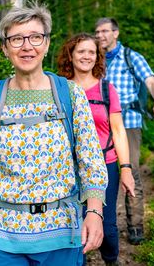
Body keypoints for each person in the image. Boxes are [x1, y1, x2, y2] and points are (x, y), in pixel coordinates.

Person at [0, 1, 108, 266]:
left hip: (60, 233)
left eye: (35, 37)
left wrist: (94, 212)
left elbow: (91, 161)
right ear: (4, 48)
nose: (27, 46)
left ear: (46, 44)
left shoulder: (70, 95)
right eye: (16, 39)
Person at [57, 33, 135, 265]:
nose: (86, 56)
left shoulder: (106, 89)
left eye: (92, 52)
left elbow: (118, 130)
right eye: (81, 51)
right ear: (70, 55)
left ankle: (111, 259)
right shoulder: (60, 89)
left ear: (98, 57)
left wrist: (126, 169)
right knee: (71, 224)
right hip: (68, 167)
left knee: (108, 227)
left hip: (105, 163)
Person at [95, 18, 154, 245]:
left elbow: (151, 80)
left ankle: (135, 226)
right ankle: (102, 226)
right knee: (98, 174)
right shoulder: (93, 58)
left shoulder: (131, 57)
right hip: (99, 125)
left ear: (116, 33)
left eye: (105, 31)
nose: (100, 36)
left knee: (131, 172)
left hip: (128, 123)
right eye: (97, 32)